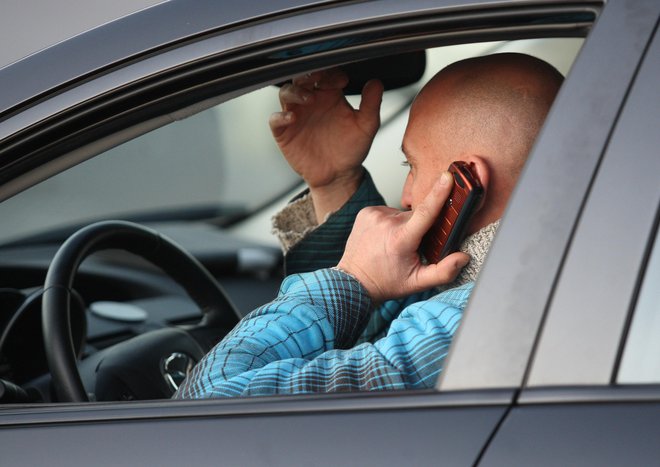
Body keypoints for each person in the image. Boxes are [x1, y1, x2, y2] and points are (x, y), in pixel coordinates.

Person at [174, 53, 563, 399]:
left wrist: (356, 279)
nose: (407, 196)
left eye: (409, 167)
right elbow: (366, 331)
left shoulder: (476, 321)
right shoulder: (523, 274)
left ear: (467, 180)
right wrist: (335, 183)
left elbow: (201, 408)